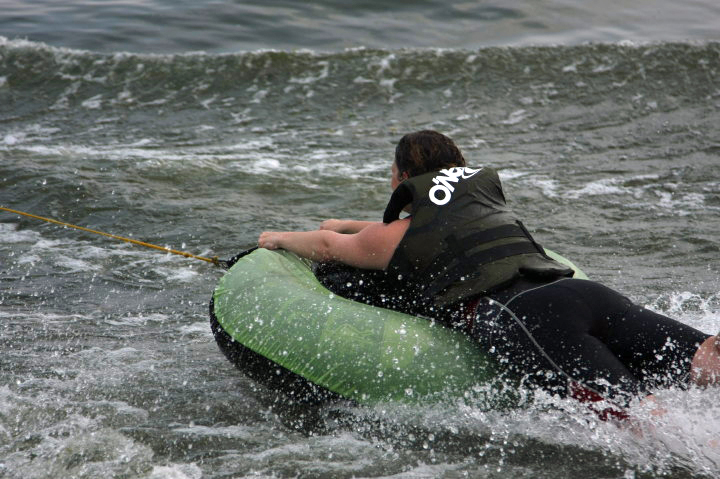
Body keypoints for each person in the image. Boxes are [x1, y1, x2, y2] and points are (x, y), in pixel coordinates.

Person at [258, 130, 720, 417]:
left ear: (401, 179)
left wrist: (276, 238)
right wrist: (347, 224)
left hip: (526, 317)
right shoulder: (483, 204)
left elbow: (325, 247)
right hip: (582, 293)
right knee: (705, 358)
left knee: (639, 414)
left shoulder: (391, 237)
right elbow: (428, 232)